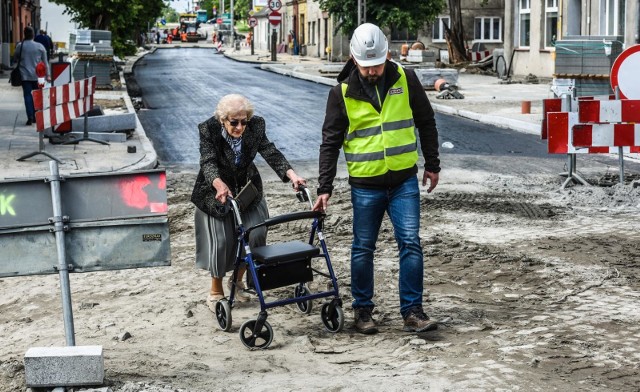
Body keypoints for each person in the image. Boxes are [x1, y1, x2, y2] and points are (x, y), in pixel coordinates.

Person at [312, 23, 441, 335]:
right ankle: (363, 311)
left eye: (378, 65)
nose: (373, 71)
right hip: (365, 185)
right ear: (355, 60)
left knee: (410, 244)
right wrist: (324, 187)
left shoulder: (405, 78)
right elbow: (330, 142)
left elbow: (426, 121)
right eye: (367, 66)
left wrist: (432, 164)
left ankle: (413, 311)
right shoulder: (341, 92)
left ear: (388, 56)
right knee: (363, 247)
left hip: (403, 182)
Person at [191, 94, 306, 312]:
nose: (240, 127)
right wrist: (218, 184)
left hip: (247, 190)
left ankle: (237, 281)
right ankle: (216, 290)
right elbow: (208, 162)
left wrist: (292, 175)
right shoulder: (208, 129)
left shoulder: (256, 126)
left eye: (244, 121)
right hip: (214, 192)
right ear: (222, 119)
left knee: (256, 233)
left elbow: (270, 152)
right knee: (222, 241)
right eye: (234, 122)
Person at [13, 26, 50, 126]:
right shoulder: (40, 46)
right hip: (39, 76)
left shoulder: (20, 46)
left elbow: (15, 57)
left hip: (25, 76)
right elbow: (45, 63)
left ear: (24, 34)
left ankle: (30, 116)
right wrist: (48, 75)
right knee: (38, 96)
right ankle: (36, 115)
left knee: (27, 96)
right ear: (33, 34)